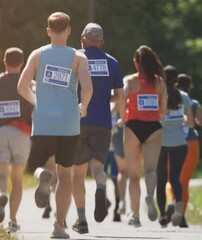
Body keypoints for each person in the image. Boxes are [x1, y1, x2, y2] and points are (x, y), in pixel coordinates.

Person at [17, 12, 93, 239]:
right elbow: (88, 88)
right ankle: (59, 226)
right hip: (69, 122)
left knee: (38, 165)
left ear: (49, 31)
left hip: (43, 121)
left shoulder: (38, 54)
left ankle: (42, 175)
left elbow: (22, 87)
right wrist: (84, 106)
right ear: (69, 30)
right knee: (66, 175)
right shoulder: (78, 57)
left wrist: (37, 102)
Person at [71, 23, 124, 235]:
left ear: (82, 38)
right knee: (97, 167)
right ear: (101, 41)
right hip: (102, 122)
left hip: (76, 121)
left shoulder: (74, 58)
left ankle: (81, 219)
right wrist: (104, 99)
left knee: (77, 173)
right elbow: (120, 97)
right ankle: (101, 185)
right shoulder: (112, 62)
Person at [119, 45, 167, 227]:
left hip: (133, 127)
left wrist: (123, 117)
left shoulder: (130, 81)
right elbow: (163, 108)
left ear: (136, 63)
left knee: (133, 175)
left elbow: (122, 97)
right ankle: (149, 194)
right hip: (154, 128)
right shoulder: (160, 82)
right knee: (151, 170)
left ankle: (136, 216)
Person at [165, 72, 202, 227]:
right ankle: (181, 215)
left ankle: (171, 202)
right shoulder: (193, 103)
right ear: (189, 87)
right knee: (184, 181)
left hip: (170, 142)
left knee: (171, 179)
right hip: (190, 143)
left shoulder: (166, 98)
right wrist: (199, 121)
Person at [156, 66, 194, 228]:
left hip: (161, 143)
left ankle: (163, 215)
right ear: (177, 79)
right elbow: (191, 123)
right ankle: (178, 207)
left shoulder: (158, 95)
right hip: (180, 142)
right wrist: (181, 118)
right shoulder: (184, 97)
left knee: (161, 180)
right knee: (175, 179)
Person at [0, 47, 33, 233]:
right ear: (22, 63)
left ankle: (1, 194)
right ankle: (13, 220)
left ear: (5, 61)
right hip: (21, 131)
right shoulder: (27, 82)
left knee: (1, 177)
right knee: (18, 179)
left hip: (1, 131)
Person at [110, 102, 128, 217]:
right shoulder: (134, 87)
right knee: (134, 175)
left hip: (117, 135)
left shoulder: (116, 94)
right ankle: (133, 210)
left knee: (122, 172)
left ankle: (122, 201)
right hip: (133, 132)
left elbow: (111, 109)